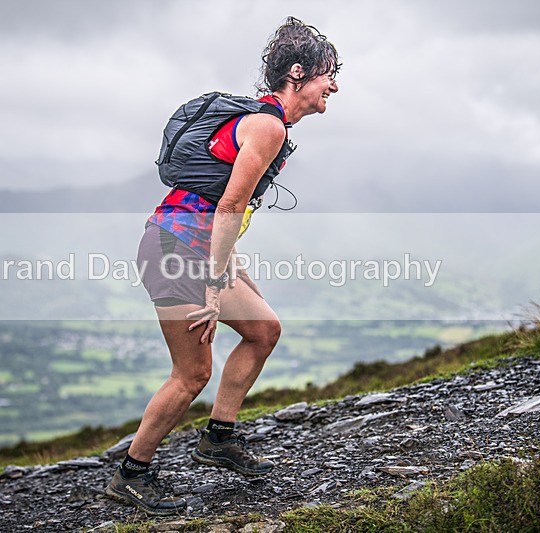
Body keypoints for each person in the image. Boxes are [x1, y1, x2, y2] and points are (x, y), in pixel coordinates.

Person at [105, 16, 340, 516]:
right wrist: (214, 292)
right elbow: (230, 206)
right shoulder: (268, 125)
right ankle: (132, 473)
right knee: (192, 372)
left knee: (264, 329)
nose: (334, 85)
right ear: (298, 73)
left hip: (192, 244)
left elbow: (221, 209)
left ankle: (218, 438)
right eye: (328, 74)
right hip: (174, 249)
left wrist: (234, 272)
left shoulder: (265, 123)